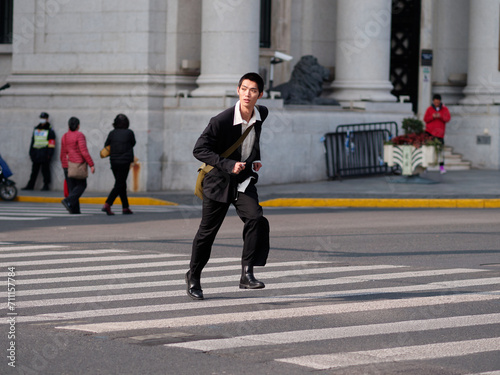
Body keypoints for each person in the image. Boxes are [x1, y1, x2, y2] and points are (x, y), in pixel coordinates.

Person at [186, 72, 271, 300]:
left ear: (260, 95)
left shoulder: (261, 113)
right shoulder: (221, 120)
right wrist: (228, 164)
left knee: (256, 218)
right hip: (218, 182)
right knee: (207, 233)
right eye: (244, 88)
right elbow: (199, 149)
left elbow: (254, 138)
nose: (247, 94)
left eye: (253, 90)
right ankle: (193, 276)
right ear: (238, 90)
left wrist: (254, 159)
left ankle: (247, 273)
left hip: (243, 181)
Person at [101, 114, 136, 215]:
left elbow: (106, 146)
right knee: (120, 184)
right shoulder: (129, 133)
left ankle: (125, 207)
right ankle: (108, 204)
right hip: (125, 162)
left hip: (114, 161)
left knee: (121, 183)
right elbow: (133, 143)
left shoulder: (112, 133)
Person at [60, 117, 95, 214]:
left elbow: (62, 152)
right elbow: (84, 151)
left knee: (72, 188)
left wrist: (64, 164)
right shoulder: (79, 135)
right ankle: (68, 201)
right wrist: (91, 164)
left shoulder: (65, 136)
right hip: (77, 165)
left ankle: (75, 210)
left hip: (66, 165)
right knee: (82, 185)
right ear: (78, 126)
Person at [22, 112, 56, 191]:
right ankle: (30, 185)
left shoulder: (49, 130)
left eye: (44, 118)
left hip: (45, 154)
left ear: (47, 119)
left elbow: (51, 143)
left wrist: (49, 154)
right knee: (34, 171)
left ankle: (46, 185)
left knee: (45, 171)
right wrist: (31, 152)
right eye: (41, 118)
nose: (42, 120)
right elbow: (33, 141)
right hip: (36, 153)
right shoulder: (36, 129)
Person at [424, 94, 451, 174]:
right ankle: (426, 167)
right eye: (435, 102)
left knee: (440, 151)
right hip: (430, 133)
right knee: (428, 150)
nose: (436, 104)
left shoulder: (445, 109)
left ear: (440, 101)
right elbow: (425, 119)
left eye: (437, 102)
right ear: (433, 101)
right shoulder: (429, 109)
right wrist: (432, 116)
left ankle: (441, 167)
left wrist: (440, 116)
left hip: (439, 134)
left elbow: (448, 118)